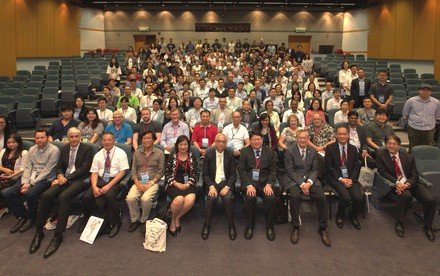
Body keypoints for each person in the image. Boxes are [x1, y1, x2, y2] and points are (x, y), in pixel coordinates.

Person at [29, 127, 93, 258]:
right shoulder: (64, 148)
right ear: (67, 137)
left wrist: (65, 178)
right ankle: (39, 231)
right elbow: (59, 167)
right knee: (46, 195)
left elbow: (84, 169)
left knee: (64, 197)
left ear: (80, 137)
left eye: (76, 136)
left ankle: (58, 235)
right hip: (63, 178)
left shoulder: (87, 149)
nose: (74, 139)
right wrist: (59, 176)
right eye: (71, 137)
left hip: (79, 180)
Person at [376, 135, 436, 242]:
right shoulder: (381, 154)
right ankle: (399, 222)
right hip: (395, 184)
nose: (391, 146)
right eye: (389, 143)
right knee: (406, 196)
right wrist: (397, 183)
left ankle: (428, 226)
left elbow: (414, 175)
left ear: (399, 145)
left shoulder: (408, 156)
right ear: (386, 145)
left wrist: (407, 184)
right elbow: (382, 171)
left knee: (430, 200)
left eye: (394, 143)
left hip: (410, 184)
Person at [2, 129, 60, 233]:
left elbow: (47, 171)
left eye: (42, 137)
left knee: (30, 193)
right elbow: (27, 167)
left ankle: (31, 218)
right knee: (6, 193)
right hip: (29, 178)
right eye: (37, 138)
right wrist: (25, 182)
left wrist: (30, 184)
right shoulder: (32, 149)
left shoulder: (54, 150)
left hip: (45, 179)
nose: (39, 140)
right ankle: (23, 216)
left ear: (47, 138)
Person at [284, 129, 331, 247]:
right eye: (300, 138)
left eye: (305, 138)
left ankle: (323, 228)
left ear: (308, 139)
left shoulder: (313, 150)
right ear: (296, 138)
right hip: (295, 180)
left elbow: (315, 169)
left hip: (311, 180)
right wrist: (301, 183)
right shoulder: (290, 151)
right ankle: (295, 226)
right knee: (294, 196)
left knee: (321, 197)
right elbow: (290, 171)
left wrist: (309, 183)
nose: (302, 140)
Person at [78, 132, 129, 238]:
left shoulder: (121, 153)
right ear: (101, 142)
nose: (107, 142)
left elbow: (122, 172)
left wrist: (108, 186)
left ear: (114, 140)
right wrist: (94, 187)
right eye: (104, 140)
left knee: (109, 195)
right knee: (87, 197)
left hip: (114, 179)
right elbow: (94, 172)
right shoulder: (98, 154)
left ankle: (115, 222)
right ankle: (87, 219)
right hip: (100, 179)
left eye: (109, 140)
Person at [239, 131, 277, 241]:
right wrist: (248, 185)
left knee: (271, 198)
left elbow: (273, 170)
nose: (256, 141)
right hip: (250, 183)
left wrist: (269, 184)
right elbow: (241, 170)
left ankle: (270, 227)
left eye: (259, 139)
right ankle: (249, 226)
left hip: (265, 183)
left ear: (262, 140)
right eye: (254, 139)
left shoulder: (270, 152)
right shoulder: (245, 152)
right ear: (250, 141)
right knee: (250, 198)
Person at [325, 125, 363, 230]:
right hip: (335, 177)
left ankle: (353, 216)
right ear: (336, 135)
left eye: (344, 134)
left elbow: (356, 166)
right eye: (340, 134)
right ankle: (340, 216)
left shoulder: (353, 148)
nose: (342, 136)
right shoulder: (330, 148)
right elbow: (329, 166)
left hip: (350, 178)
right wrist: (341, 179)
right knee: (346, 197)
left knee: (358, 198)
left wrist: (351, 179)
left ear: (348, 135)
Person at [126, 131, 165, 233]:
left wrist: (151, 183)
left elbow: (161, 171)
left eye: (149, 138)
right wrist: (137, 183)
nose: (146, 140)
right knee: (130, 198)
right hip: (138, 181)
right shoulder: (137, 153)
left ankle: (144, 220)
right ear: (141, 140)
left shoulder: (159, 153)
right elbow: (133, 170)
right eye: (144, 138)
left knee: (145, 199)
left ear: (153, 140)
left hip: (153, 181)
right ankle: (135, 220)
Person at [201, 133, 237, 240]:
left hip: (226, 183)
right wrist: (211, 186)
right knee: (211, 198)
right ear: (215, 142)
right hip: (212, 183)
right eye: (218, 141)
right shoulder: (209, 153)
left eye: (223, 142)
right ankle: (206, 225)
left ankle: (231, 225)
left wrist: (227, 187)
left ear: (226, 143)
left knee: (228, 198)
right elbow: (205, 174)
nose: (221, 144)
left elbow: (233, 175)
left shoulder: (230, 153)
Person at [164, 135, 199, 236]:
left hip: (188, 183)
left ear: (188, 145)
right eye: (181, 145)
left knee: (190, 199)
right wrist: (175, 183)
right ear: (177, 145)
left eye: (185, 145)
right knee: (179, 199)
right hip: (174, 183)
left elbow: (196, 173)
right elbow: (167, 173)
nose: (183, 147)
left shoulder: (192, 156)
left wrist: (188, 184)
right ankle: (172, 220)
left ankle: (176, 217)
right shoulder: (173, 156)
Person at [402, 83, 440, 150]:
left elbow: (437, 116)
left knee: (426, 148)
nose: (425, 92)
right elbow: (405, 114)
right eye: (423, 90)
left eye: (428, 90)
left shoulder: (436, 102)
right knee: (413, 148)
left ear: (431, 92)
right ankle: (412, 160)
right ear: (419, 91)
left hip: (429, 129)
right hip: (414, 128)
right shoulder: (411, 101)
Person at [0, 134, 28, 218]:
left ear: (18, 142)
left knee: (6, 192)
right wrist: (5, 170)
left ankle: (22, 215)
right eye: (8, 142)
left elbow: (23, 169)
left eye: (13, 142)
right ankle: (3, 206)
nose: (11, 144)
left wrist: (11, 175)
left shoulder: (24, 152)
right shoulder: (3, 151)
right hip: (3, 175)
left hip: (18, 177)